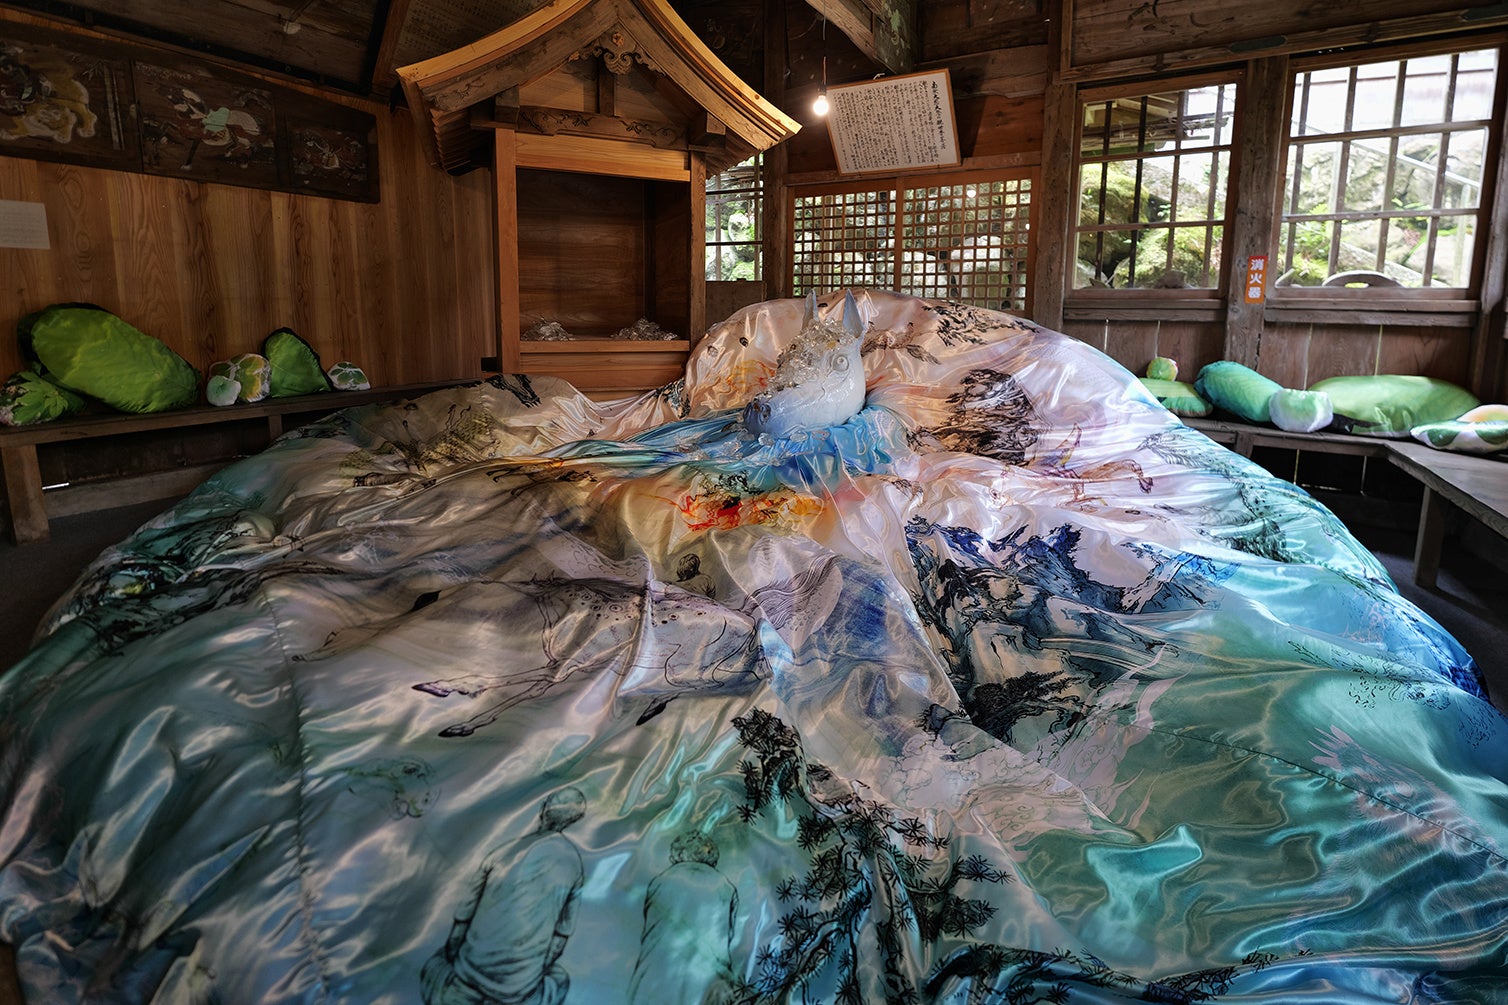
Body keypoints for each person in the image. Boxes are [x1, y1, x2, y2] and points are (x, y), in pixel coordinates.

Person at [422, 787, 587, 1005]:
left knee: (435, 962)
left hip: (466, 978)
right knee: (559, 978)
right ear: (574, 820)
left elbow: (461, 921)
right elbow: (560, 939)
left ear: (543, 809)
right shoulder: (574, 865)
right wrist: (530, 974)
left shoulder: (502, 852)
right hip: (516, 992)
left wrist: (454, 960)